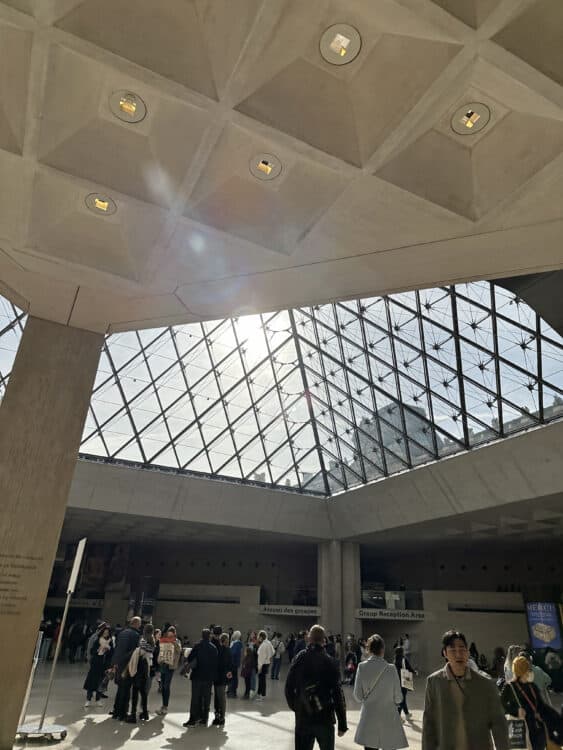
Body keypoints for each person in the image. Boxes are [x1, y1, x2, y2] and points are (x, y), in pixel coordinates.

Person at [422, 629, 508, 750]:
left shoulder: (485, 683)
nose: (458, 654)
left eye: (462, 649)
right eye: (452, 650)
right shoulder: (434, 682)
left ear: (468, 652)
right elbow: (429, 723)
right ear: (445, 653)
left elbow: (498, 722)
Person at [285, 624, 348, 750]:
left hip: (303, 717)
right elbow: (337, 694)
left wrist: (297, 707)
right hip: (325, 718)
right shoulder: (331, 662)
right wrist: (342, 723)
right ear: (323, 641)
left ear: (309, 638)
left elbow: (288, 687)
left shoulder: (300, 658)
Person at [353, 634, 407, 750]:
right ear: (383, 649)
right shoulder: (391, 669)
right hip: (389, 719)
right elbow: (398, 698)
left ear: (368, 649)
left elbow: (357, 696)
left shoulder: (362, 667)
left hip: (369, 718)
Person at [501, 654, 563, 750]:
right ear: (521, 671)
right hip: (520, 729)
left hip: (537, 729)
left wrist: (556, 719)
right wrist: (516, 711)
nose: (529, 672)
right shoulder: (509, 688)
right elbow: (502, 705)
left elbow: (542, 706)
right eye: (527, 670)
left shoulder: (531, 686)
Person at [183, 628, 218, 727]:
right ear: (209, 636)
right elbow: (215, 663)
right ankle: (204, 718)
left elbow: (190, 659)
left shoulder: (197, 646)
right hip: (208, 678)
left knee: (195, 698)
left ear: (202, 636)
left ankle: (193, 719)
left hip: (197, 676)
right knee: (206, 698)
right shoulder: (213, 648)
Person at [111, 616, 142, 721]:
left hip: (119, 664)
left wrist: (115, 663)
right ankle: (122, 713)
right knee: (126, 690)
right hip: (128, 665)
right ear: (136, 624)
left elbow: (117, 649)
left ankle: (116, 712)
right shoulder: (136, 635)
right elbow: (135, 652)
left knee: (120, 689)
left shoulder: (122, 633)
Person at [126, 624, 155, 723]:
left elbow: (140, 652)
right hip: (146, 669)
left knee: (135, 693)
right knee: (143, 693)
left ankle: (133, 715)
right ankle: (145, 713)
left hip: (139, 668)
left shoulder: (143, 640)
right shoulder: (152, 641)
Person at [83, 625, 112, 707]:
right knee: (91, 682)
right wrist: (99, 649)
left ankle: (98, 699)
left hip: (104, 665)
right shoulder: (97, 640)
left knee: (101, 683)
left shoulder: (110, 642)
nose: (106, 634)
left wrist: (108, 649)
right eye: (104, 633)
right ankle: (88, 699)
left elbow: (111, 653)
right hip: (95, 663)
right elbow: (92, 651)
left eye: (107, 633)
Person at [156, 625, 182, 715]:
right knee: (163, 686)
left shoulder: (177, 641)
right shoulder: (164, 640)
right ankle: (163, 705)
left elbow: (179, 650)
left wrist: (173, 641)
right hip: (163, 665)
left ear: (174, 635)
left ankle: (165, 706)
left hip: (170, 667)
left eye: (171, 636)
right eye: (168, 635)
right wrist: (159, 659)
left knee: (166, 686)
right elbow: (161, 651)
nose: (169, 637)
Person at [213, 633, 233, 725]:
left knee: (218, 697)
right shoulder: (228, 651)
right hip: (223, 678)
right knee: (220, 697)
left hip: (218, 677)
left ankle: (219, 715)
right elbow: (230, 665)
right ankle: (221, 716)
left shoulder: (218, 650)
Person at [394, 645, 415, 720]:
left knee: (402, 697)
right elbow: (409, 667)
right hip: (404, 679)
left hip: (397, 680)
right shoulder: (404, 659)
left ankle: (406, 713)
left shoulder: (395, 660)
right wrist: (414, 672)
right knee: (403, 698)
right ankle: (398, 715)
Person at [256, 630, 275, 701]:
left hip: (263, 664)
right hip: (267, 663)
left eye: (259, 637)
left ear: (261, 637)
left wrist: (259, 667)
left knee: (262, 680)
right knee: (262, 680)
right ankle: (259, 694)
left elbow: (261, 658)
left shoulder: (264, 645)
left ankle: (262, 695)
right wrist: (268, 657)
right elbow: (273, 652)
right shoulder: (268, 643)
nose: (258, 638)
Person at [228, 630, 243, 697]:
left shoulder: (238, 643)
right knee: (231, 676)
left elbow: (233, 653)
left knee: (233, 677)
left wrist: (228, 652)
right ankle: (230, 689)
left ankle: (233, 691)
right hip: (231, 662)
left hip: (234, 663)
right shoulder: (233, 642)